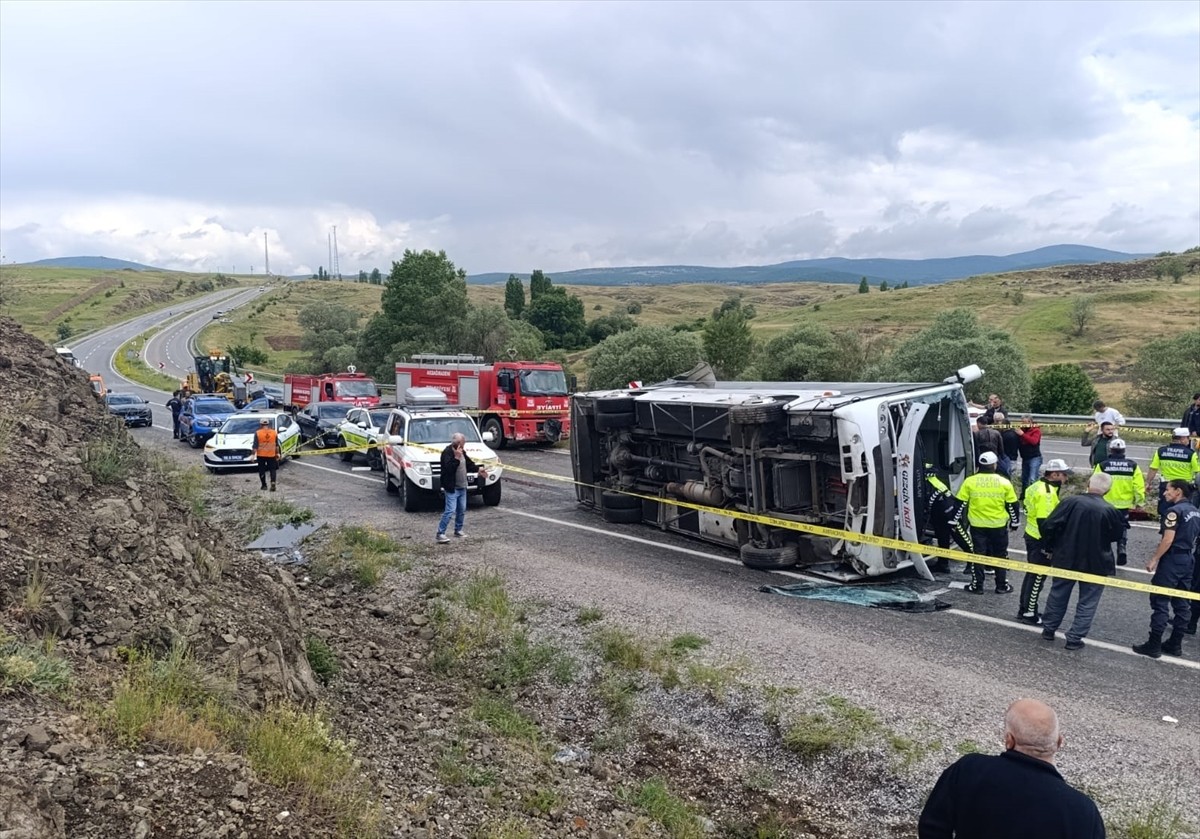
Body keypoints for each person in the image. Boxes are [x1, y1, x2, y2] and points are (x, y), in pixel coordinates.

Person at [918, 699, 1105, 839]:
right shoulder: (1084, 811)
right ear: (1059, 742)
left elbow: (932, 827)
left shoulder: (970, 769)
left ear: (1009, 740)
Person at [1039, 472, 1125, 650]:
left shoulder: (1070, 502)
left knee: (1058, 594)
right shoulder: (1110, 510)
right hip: (1097, 562)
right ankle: (1074, 638)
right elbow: (1117, 535)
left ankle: (1049, 629)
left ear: (1088, 483)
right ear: (1107, 490)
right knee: (1088, 601)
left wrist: (1050, 547)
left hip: (1066, 557)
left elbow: (1049, 525)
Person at [1132, 479, 1199, 659]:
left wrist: (1154, 559)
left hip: (1172, 560)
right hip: (1188, 559)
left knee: (1160, 601)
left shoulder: (1174, 511)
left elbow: (1168, 540)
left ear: (1178, 491)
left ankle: (1153, 644)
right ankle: (1175, 644)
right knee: (1182, 602)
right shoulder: (1195, 511)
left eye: (1168, 490)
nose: (1164, 493)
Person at [956, 451, 1019, 594]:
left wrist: (954, 520)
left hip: (977, 526)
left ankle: (977, 586)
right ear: (994, 465)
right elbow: (1012, 505)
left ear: (980, 465)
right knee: (1000, 555)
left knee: (978, 555)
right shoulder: (1004, 482)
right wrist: (1014, 522)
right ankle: (1001, 586)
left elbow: (960, 503)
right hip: (998, 525)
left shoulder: (970, 481)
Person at [1018, 460, 1069, 625]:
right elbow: (1044, 523)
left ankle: (1024, 608)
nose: (1066, 478)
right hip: (1040, 540)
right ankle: (1029, 612)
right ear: (1054, 474)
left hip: (1031, 535)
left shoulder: (1036, 486)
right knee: (1038, 577)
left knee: (1032, 575)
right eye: (1064, 474)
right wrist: (1048, 546)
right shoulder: (1046, 492)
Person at [1093, 439, 1144, 567]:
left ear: (1110, 450)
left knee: (1104, 528)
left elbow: (1095, 482)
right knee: (1122, 527)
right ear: (1124, 451)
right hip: (1124, 505)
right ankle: (1121, 547)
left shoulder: (1102, 465)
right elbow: (1138, 486)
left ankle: (1105, 552)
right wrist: (1139, 502)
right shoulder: (1133, 466)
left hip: (1105, 504)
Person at [1145, 428, 1200, 532]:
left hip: (1166, 486)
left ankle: (1164, 534)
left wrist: (1148, 483)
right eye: (1188, 438)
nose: (1188, 441)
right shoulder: (1190, 454)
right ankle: (1180, 534)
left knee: (1165, 511)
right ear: (1183, 439)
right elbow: (1198, 472)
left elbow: (1153, 469)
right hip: (1184, 488)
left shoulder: (1161, 451)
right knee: (1183, 511)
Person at [436, 432, 487, 544]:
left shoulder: (462, 452)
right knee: (450, 510)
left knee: (461, 509)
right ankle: (440, 533)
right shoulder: (447, 453)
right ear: (458, 443)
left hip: (462, 486)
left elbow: (469, 464)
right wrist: (457, 458)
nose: (464, 445)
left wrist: (478, 470)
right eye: (463, 443)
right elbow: (449, 469)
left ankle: (458, 530)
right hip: (452, 487)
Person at [923, 464, 973, 573]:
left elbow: (927, 501)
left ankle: (973, 562)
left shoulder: (928, 481)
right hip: (938, 511)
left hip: (948, 509)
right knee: (942, 538)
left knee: (960, 536)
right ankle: (943, 564)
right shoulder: (929, 479)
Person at [1015, 415, 1043, 501]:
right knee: (1024, 478)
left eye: (1025, 422)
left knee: (1032, 478)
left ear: (1030, 422)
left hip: (1035, 457)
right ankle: (1024, 496)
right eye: (1022, 422)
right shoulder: (1021, 429)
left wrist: (1022, 434)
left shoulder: (1036, 430)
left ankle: (1033, 496)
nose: (1023, 424)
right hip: (1025, 458)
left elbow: (1034, 441)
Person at [253, 417, 279, 491]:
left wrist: (252, 456)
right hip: (271, 454)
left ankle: (264, 485)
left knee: (262, 470)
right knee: (272, 470)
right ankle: (273, 482)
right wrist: (277, 454)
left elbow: (255, 446)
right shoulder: (274, 432)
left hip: (261, 455)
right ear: (268, 424)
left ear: (261, 424)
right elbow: (276, 445)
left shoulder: (258, 433)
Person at [994, 412, 1019, 480]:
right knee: (1011, 478)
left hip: (1006, 459)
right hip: (1013, 458)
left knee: (1005, 478)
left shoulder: (1004, 436)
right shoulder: (1014, 433)